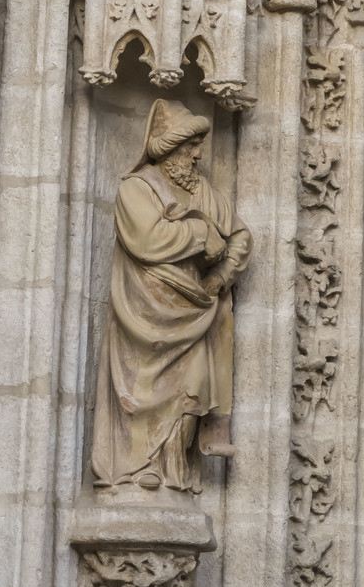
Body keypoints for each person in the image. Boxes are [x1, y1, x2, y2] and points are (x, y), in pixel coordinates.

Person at [92, 102, 252, 493]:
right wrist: (200, 233)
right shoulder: (137, 189)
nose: (198, 154)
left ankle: (173, 472)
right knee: (139, 389)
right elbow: (148, 239)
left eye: (199, 145)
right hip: (144, 314)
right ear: (166, 148)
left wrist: (220, 275)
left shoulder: (206, 194)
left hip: (196, 310)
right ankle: (133, 469)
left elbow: (241, 238)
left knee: (191, 388)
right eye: (191, 145)